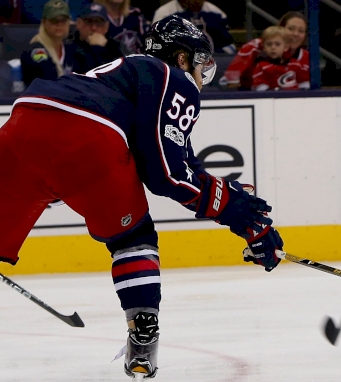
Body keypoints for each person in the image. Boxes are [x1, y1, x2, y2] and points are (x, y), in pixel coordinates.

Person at [0, 15, 284, 380]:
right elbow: (166, 175)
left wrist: (246, 223)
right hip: (86, 132)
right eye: (200, 64)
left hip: (22, 123)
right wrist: (239, 214)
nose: (200, 76)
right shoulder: (172, 77)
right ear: (182, 58)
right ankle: (143, 335)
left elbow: (184, 165)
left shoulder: (127, 76)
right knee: (132, 238)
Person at [221, 11, 309, 90]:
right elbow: (229, 81)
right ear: (281, 28)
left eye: (301, 31)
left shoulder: (306, 57)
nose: (295, 34)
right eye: (291, 29)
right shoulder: (254, 47)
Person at [20, 0, 78, 86]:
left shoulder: (71, 49)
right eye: (54, 21)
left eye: (63, 20)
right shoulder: (35, 51)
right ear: (44, 22)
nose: (59, 24)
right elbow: (46, 82)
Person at [152, 0, 236, 54]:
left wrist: (215, 56)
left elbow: (229, 45)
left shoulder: (217, 13)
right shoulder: (164, 14)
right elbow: (156, 45)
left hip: (213, 63)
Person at [251, 26, 308, 91]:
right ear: (264, 47)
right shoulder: (261, 67)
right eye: (269, 44)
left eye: (277, 44)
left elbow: (303, 83)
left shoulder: (295, 64)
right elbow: (260, 87)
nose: (273, 47)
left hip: (295, 99)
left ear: (286, 47)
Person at [72, 3, 123, 72]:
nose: (94, 28)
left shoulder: (114, 48)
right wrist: (96, 48)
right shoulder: (70, 46)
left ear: (106, 27)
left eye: (98, 23)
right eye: (89, 22)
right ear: (78, 24)